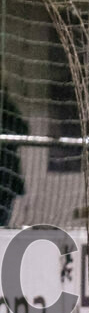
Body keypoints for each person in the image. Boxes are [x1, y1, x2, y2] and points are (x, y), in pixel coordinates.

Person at [0, 87, 28, 227]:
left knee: (3, 215)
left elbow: (23, 130)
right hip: (7, 172)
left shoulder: (9, 109)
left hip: (6, 171)